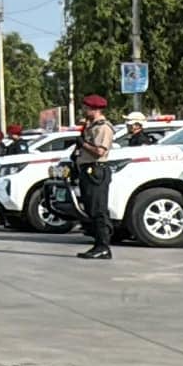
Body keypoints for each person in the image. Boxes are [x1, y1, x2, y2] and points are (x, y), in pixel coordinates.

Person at [71, 95, 114, 260]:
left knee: (98, 209)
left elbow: (100, 151)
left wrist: (84, 144)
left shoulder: (103, 128)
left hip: (96, 171)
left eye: (86, 108)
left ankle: (103, 246)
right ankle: (97, 244)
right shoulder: (91, 127)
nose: (84, 110)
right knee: (91, 209)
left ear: (94, 109)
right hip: (87, 171)